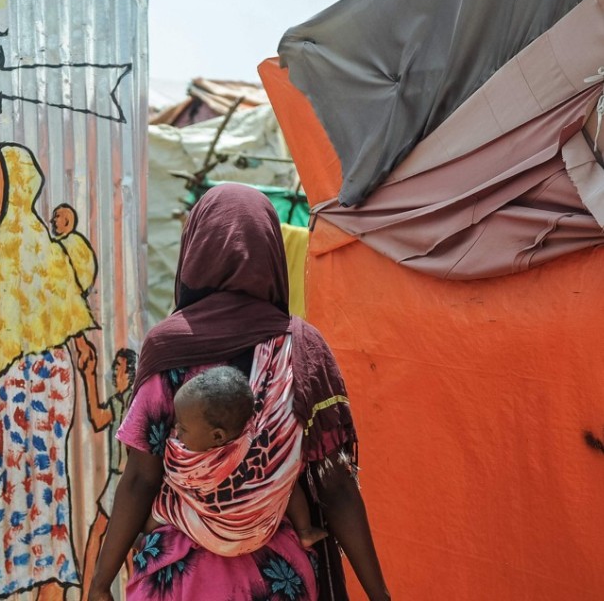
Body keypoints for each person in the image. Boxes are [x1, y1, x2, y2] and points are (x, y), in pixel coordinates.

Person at [88, 183, 390, 601]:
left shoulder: (168, 347)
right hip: (274, 578)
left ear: (195, 250)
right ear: (271, 253)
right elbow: (335, 485)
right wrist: (379, 594)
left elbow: (141, 477)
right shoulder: (301, 348)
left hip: (179, 577)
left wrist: (101, 581)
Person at [0, 142, 99, 600]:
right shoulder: (19, 258)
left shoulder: (30, 258)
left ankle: (9, 582)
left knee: (20, 492)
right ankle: (34, 582)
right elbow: (75, 333)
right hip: (34, 387)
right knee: (30, 493)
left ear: (14, 184)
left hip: (25, 389)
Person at [143, 365, 328, 550]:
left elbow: (172, 474)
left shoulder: (185, 464)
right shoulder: (258, 445)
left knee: (168, 497)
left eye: (183, 428)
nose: (176, 430)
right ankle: (305, 532)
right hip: (259, 534)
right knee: (285, 481)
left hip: (216, 539)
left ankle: (145, 535)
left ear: (217, 437)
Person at [80, 348, 137, 601]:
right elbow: (97, 417)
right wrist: (88, 375)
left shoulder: (137, 403)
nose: (115, 373)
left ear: (131, 372)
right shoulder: (118, 402)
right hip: (116, 479)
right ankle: (88, 594)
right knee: (104, 537)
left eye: (119, 368)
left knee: (121, 544)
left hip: (128, 482)